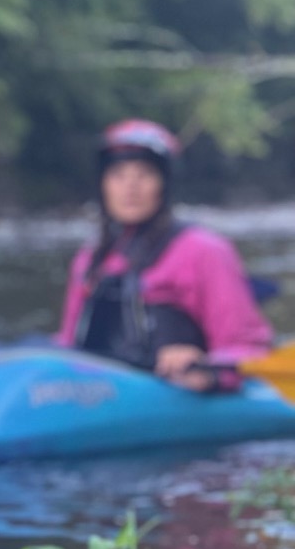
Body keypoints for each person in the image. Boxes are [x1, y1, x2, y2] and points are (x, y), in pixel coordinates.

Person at [58, 119, 271, 390]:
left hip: (177, 396)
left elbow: (247, 347)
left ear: (164, 184)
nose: (130, 187)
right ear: (103, 185)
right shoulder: (90, 259)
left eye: (144, 174)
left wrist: (208, 368)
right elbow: (66, 346)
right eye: (118, 175)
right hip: (98, 394)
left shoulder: (204, 251)